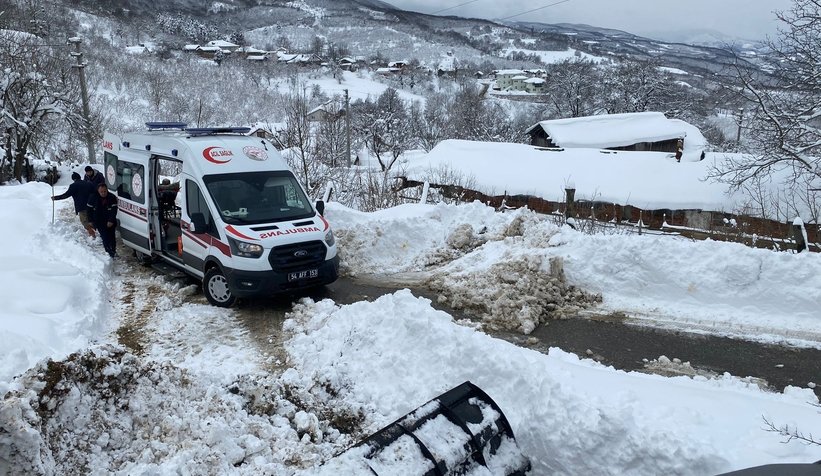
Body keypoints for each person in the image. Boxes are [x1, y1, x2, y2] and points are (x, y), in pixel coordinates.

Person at [51, 172, 97, 238]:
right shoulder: (88, 183)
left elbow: (66, 195)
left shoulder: (73, 186)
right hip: (92, 205)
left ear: (73, 179)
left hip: (82, 207)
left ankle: (93, 235)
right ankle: (96, 232)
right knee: (92, 219)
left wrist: (55, 198)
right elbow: (95, 192)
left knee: (84, 221)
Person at [87, 183, 118, 257]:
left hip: (110, 221)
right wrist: (90, 221)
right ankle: (109, 252)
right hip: (99, 221)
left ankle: (113, 250)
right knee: (105, 237)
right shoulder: (93, 198)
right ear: (98, 191)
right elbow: (89, 210)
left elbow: (114, 210)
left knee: (112, 237)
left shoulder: (112, 197)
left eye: (105, 191)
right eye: (101, 192)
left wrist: (111, 220)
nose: (103, 193)